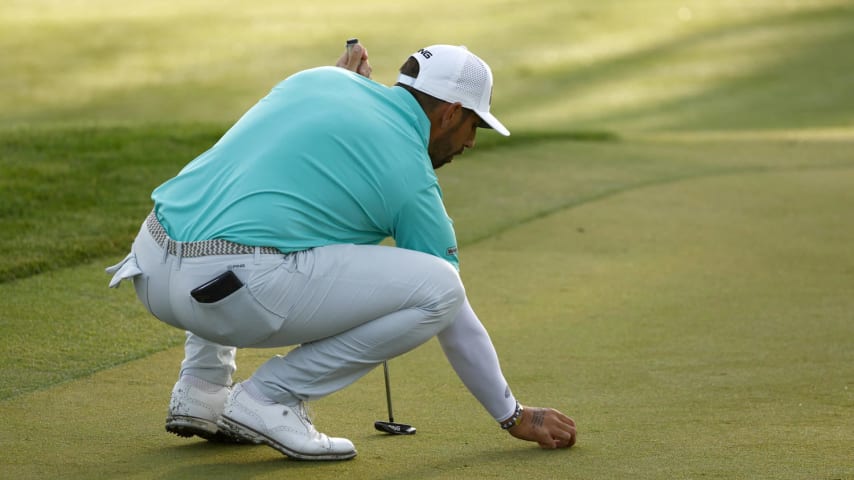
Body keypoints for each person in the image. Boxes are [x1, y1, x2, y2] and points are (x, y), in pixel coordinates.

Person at [107, 40, 577, 461]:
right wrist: (511, 414)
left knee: (265, 213)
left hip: (148, 266)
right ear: (450, 112)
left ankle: (201, 389)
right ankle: (270, 398)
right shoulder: (412, 178)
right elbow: (448, 304)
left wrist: (342, 88)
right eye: (474, 125)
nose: (471, 142)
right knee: (441, 286)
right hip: (230, 294)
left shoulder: (319, 79)